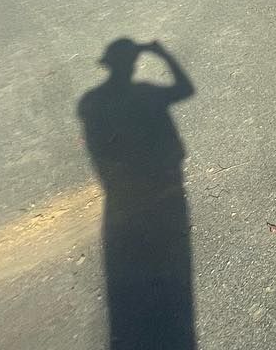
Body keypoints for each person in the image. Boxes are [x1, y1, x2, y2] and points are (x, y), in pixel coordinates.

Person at [78, 39, 197, 350]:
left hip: (123, 192)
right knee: (168, 253)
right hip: (164, 181)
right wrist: (164, 54)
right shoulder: (146, 93)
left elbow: (99, 150)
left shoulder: (90, 102)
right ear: (132, 62)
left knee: (138, 258)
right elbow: (185, 89)